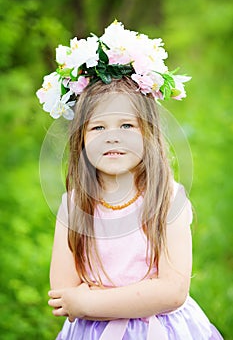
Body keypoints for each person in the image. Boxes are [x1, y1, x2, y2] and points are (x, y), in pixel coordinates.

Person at [37, 21, 223, 339]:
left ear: (148, 133)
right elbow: (63, 293)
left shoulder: (167, 199)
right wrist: (88, 301)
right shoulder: (74, 205)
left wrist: (89, 300)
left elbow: (172, 292)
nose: (112, 138)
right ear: (80, 139)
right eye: (98, 128)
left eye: (126, 126)